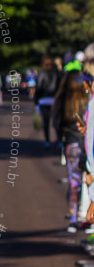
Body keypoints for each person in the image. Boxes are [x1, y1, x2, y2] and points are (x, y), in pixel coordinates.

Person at [53, 70, 88, 233]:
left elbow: (57, 121)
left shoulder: (63, 98)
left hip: (72, 142)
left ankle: (74, 216)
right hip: (87, 143)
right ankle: (86, 214)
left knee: (74, 181)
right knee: (88, 179)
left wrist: (62, 137)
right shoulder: (87, 98)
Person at [35, 56, 60, 149]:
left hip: (44, 100)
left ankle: (47, 141)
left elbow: (39, 87)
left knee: (46, 122)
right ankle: (59, 140)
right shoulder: (56, 73)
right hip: (54, 99)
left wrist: (36, 100)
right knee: (56, 121)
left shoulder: (42, 73)